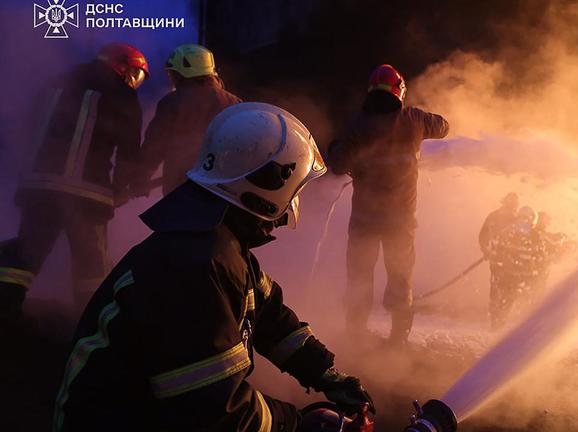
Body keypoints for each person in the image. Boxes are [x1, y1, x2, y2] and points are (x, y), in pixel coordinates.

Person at [53, 103, 374, 431]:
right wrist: (300, 423)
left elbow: (269, 317)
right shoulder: (195, 264)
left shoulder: (219, 243)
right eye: (293, 190)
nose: (290, 208)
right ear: (266, 184)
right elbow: (216, 413)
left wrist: (325, 373)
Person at [0, 43, 148, 322]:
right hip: (87, 194)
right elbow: (129, 152)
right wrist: (126, 185)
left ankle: (4, 312)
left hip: (37, 187)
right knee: (91, 266)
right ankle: (88, 322)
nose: (134, 80)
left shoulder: (55, 83)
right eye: (135, 73)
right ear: (122, 66)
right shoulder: (122, 95)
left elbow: (30, 129)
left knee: (27, 253)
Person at [328, 64, 449, 345]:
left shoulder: (358, 125)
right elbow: (443, 126)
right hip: (400, 221)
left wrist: (336, 147)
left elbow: (337, 165)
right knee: (400, 277)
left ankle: (355, 334)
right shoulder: (415, 119)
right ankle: (398, 338)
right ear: (400, 91)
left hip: (364, 221)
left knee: (359, 276)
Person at [135, 44, 241, 196]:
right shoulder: (234, 103)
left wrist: (141, 179)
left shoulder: (172, 102)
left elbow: (155, 146)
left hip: (179, 188)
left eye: (173, 75)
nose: (172, 80)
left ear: (185, 73)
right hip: (223, 190)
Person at [485, 205, 542, 329]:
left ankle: (498, 323)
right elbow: (539, 256)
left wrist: (496, 267)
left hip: (510, 274)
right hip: (516, 275)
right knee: (509, 299)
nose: (525, 223)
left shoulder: (508, 231)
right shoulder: (534, 235)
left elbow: (496, 251)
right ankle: (499, 324)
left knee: (505, 299)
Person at [532, 211, 575, 290]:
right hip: (536, 269)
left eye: (547, 221)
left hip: (538, 268)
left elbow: (552, 240)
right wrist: (561, 237)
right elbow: (552, 240)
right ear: (539, 220)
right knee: (537, 288)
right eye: (545, 221)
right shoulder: (537, 233)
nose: (547, 224)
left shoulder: (538, 232)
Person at [478, 192, 519, 258]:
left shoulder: (519, 219)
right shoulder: (493, 216)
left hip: (515, 260)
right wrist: (485, 250)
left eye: (514, 205)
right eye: (510, 205)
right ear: (505, 203)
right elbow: (483, 236)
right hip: (497, 259)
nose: (512, 209)